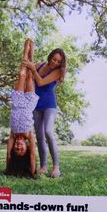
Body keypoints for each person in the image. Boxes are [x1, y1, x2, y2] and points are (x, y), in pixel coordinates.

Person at [23, 43, 67, 178]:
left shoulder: (59, 71)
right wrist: (29, 51)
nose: (55, 62)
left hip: (49, 105)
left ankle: (56, 168)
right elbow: (28, 77)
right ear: (50, 57)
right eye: (54, 59)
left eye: (59, 61)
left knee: (48, 131)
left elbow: (41, 82)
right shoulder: (40, 65)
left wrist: (33, 69)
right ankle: (43, 166)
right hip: (36, 104)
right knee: (40, 136)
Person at [6, 39, 39, 177]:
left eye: (16, 149)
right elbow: (32, 155)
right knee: (30, 77)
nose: (18, 146)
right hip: (29, 104)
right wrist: (32, 172)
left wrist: (9, 168)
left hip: (18, 102)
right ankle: (32, 51)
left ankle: (25, 51)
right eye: (21, 148)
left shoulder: (13, 134)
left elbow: (8, 155)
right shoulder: (29, 135)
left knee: (22, 75)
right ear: (26, 147)